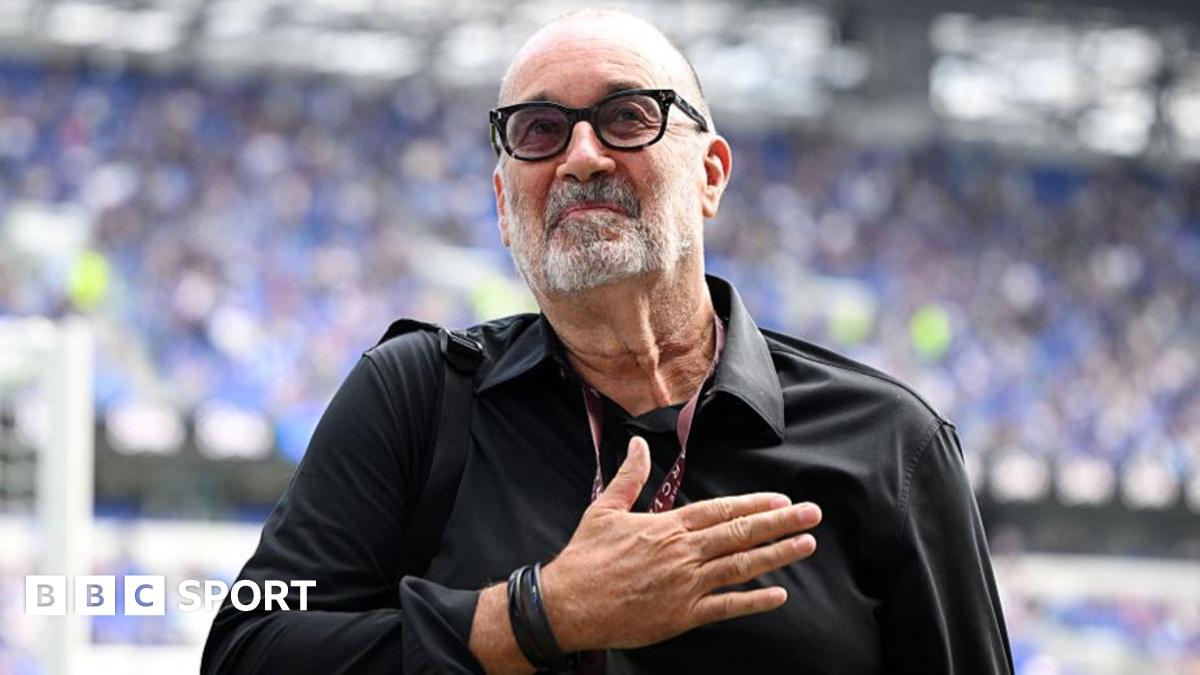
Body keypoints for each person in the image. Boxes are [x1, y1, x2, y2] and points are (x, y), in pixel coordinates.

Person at [202, 9, 1013, 674]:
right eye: (539, 130)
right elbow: (247, 651)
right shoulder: (414, 397)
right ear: (503, 202)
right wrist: (537, 614)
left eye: (628, 117)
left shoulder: (890, 444)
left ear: (710, 174)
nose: (582, 156)